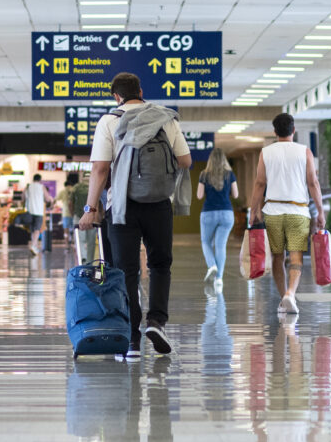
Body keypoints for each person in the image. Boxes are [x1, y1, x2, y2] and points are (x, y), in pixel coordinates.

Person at [77, 72, 188, 357]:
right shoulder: (166, 118)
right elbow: (185, 160)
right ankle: (157, 322)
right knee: (160, 265)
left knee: (126, 270)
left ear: (116, 96)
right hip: (160, 203)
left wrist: (90, 209)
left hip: (122, 206)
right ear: (141, 91)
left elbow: (100, 169)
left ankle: (132, 339)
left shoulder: (109, 121)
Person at [248, 112, 324, 316]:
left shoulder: (266, 152)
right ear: (294, 130)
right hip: (298, 211)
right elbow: (313, 182)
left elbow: (259, 183)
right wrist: (320, 211)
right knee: (296, 257)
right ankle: (290, 293)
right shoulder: (304, 151)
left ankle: (285, 298)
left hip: (272, 211)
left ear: (275, 132)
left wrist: (253, 211)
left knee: (277, 258)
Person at [196, 147, 237, 286]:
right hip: (227, 213)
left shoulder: (204, 174)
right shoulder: (229, 174)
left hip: (209, 213)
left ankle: (212, 265)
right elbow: (236, 194)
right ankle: (219, 278)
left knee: (206, 242)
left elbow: (199, 195)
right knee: (221, 245)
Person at [64, 169, 94, 262]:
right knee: (91, 241)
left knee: (80, 240)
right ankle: (90, 260)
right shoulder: (94, 187)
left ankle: (82, 257)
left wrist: (73, 214)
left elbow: (70, 203)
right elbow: (99, 204)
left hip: (78, 216)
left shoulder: (76, 187)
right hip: (92, 217)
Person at [24, 173, 48, 257]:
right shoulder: (41, 187)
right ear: (40, 180)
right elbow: (48, 198)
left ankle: (34, 246)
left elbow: (23, 197)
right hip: (39, 211)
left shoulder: (28, 187)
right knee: (37, 230)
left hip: (30, 211)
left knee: (32, 230)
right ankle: (33, 245)